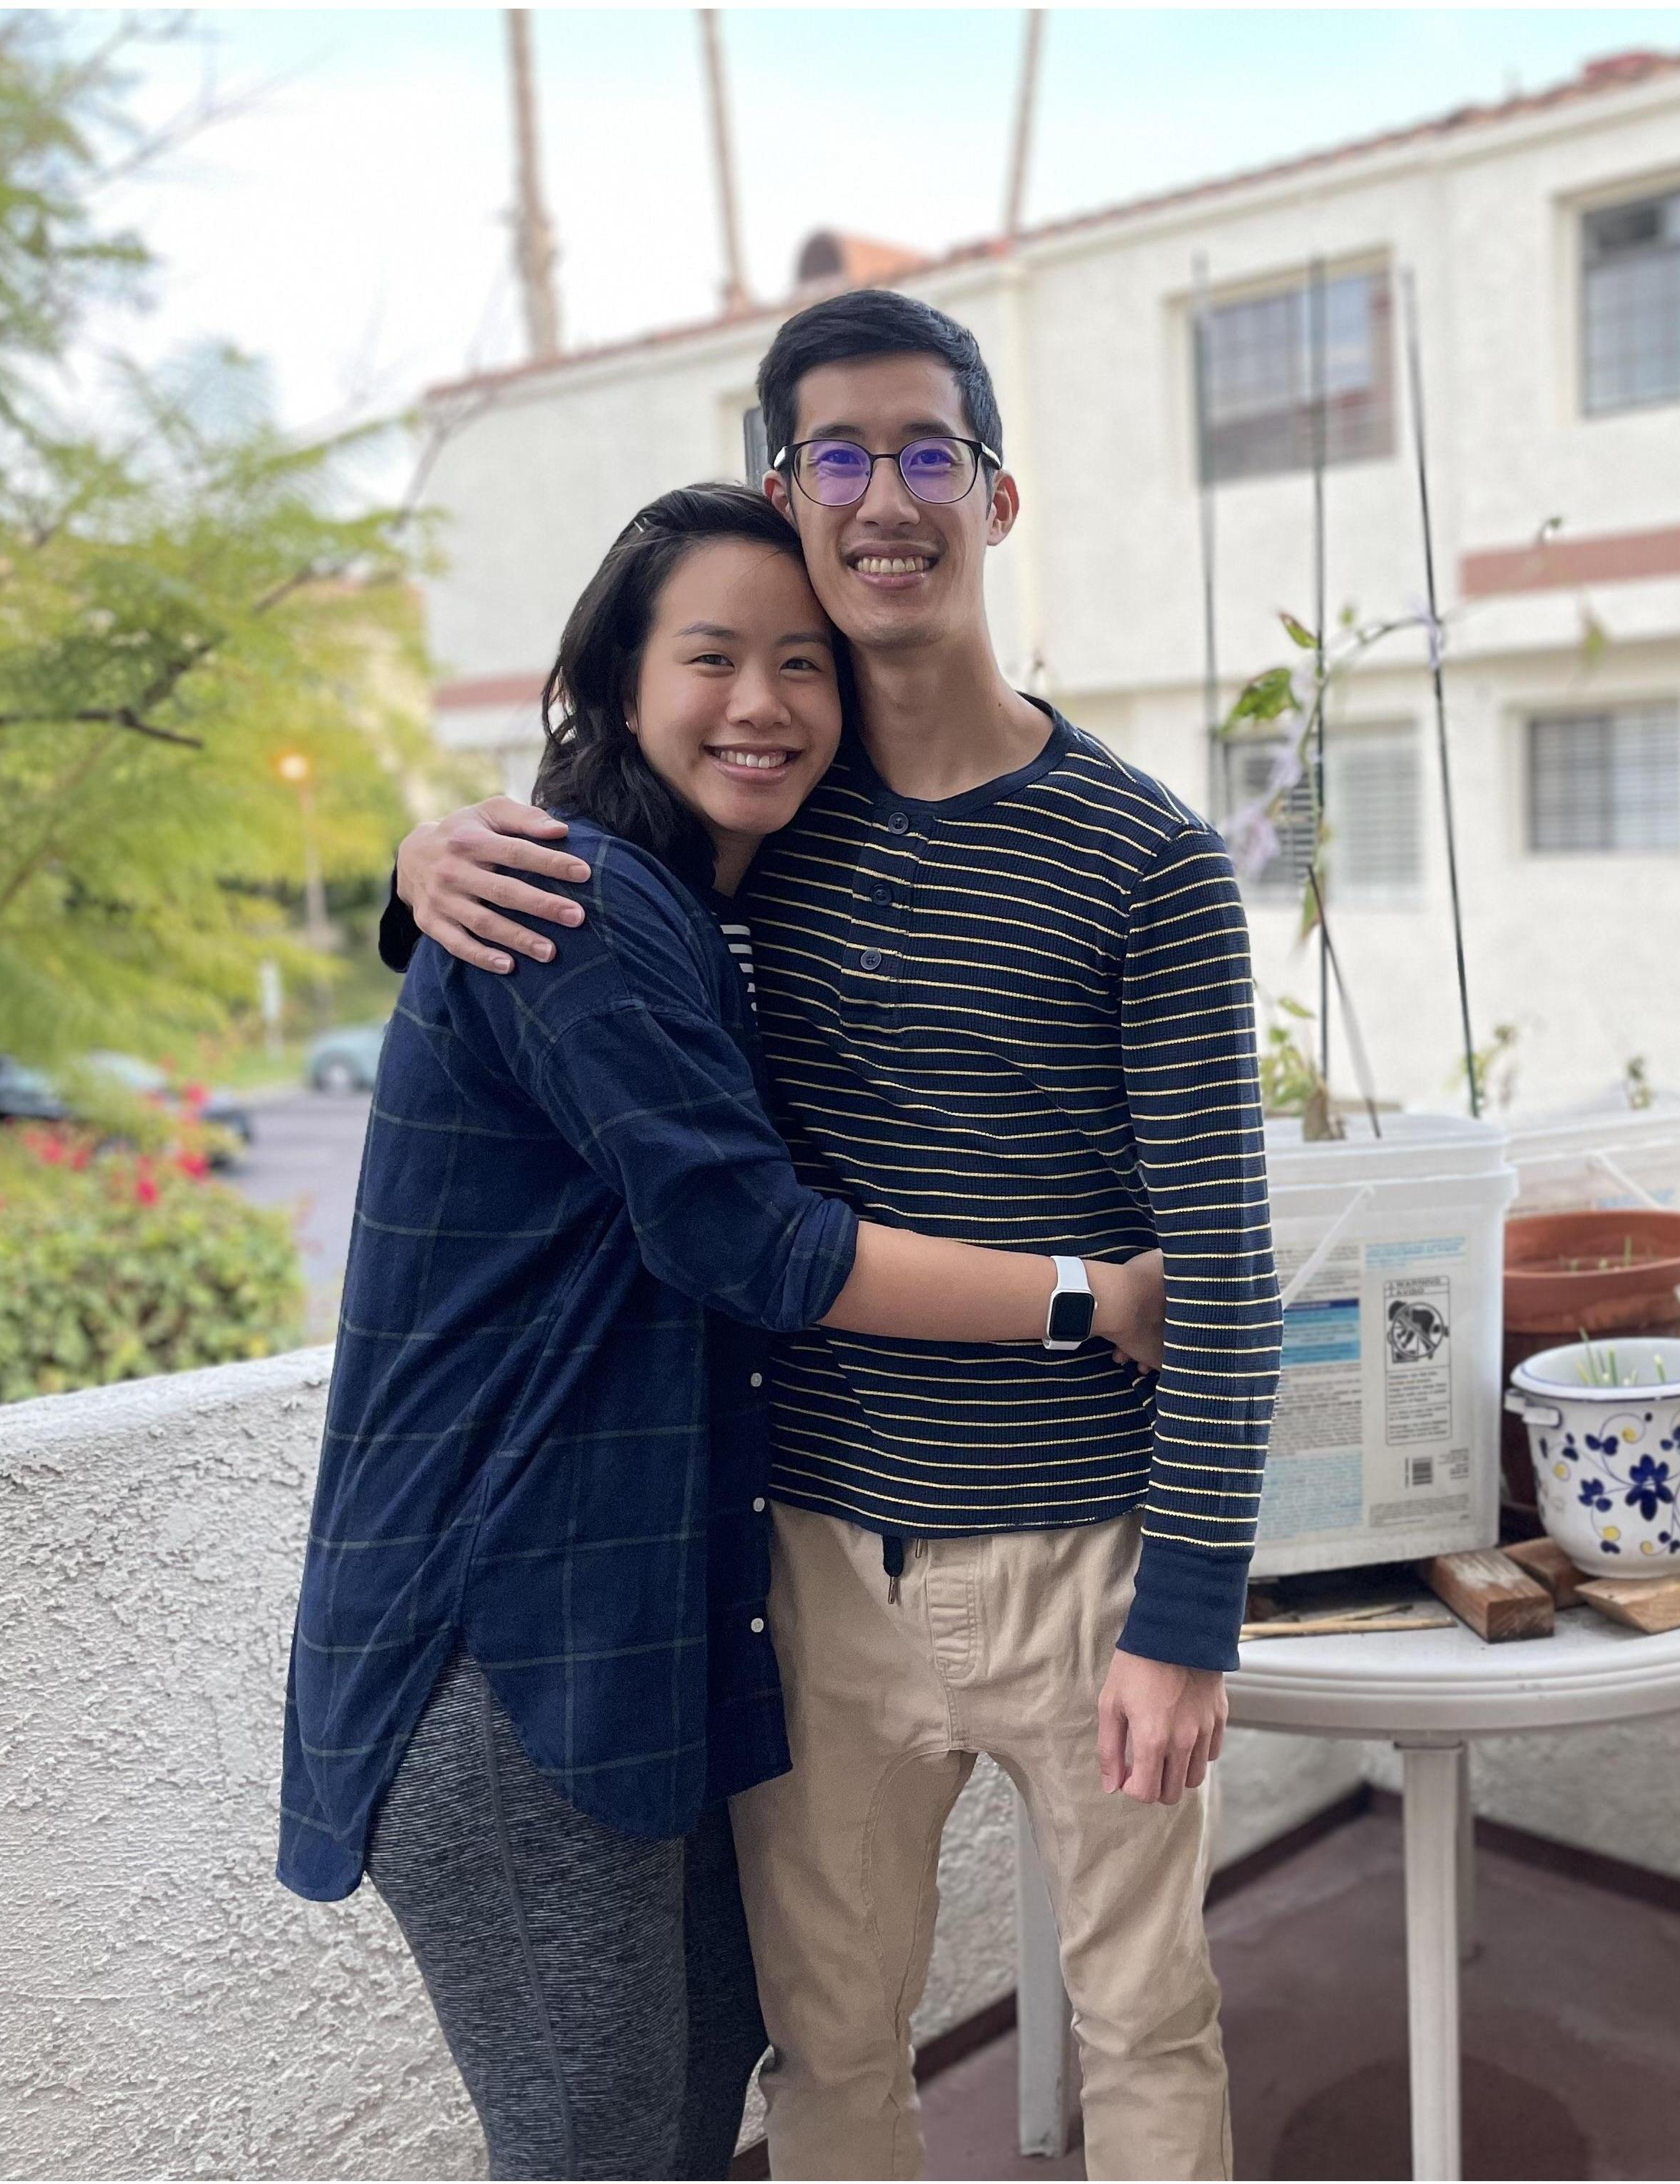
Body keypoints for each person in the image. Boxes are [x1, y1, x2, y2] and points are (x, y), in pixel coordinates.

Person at [389, 292, 1281, 2182]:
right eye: (844, 459)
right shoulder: (762, 818)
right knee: (831, 2048)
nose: (890, 496)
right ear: (792, 496)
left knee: (1145, 2028)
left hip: (1089, 1558)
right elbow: (578, 932)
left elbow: (1225, 1266)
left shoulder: (1147, 859)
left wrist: (1190, 1618)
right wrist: (424, 868)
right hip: (814, 1566)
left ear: (997, 495)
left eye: (928, 451)